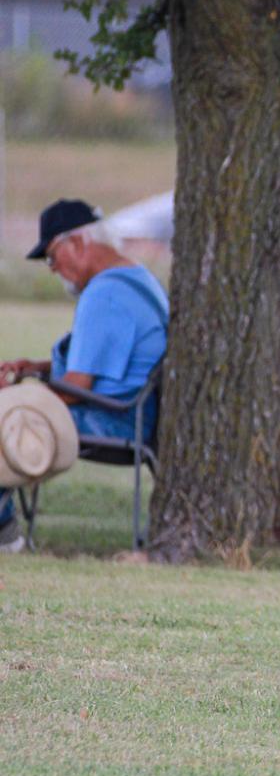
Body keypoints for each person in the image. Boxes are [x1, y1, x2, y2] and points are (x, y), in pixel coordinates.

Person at [0, 199, 169, 552]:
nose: (52, 269)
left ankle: (6, 535)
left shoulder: (104, 294)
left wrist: (19, 395)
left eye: (51, 257)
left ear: (76, 242)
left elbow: (77, 389)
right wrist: (35, 369)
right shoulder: (137, 280)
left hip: (112, 419)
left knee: (8, 417)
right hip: (138, 412)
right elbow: (105, 364)